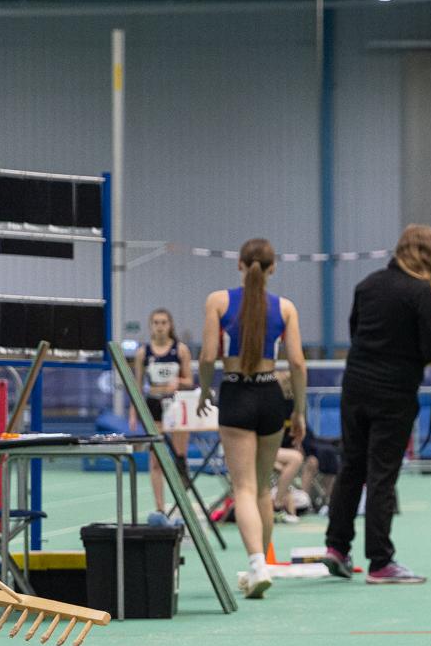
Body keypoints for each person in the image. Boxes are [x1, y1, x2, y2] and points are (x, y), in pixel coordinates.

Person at [320, 225, 431, 585]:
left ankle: (336, 547)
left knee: (352, 466)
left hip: (356, 385)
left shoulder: (368, 285)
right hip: (394, 393)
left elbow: (355, 332)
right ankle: (380, 561)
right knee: (382, 473)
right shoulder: (422, 292)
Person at [198, 239, 307, 600]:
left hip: (236, 393)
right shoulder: (286, 308)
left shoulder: (218, 301)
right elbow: (297, 363)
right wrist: (299, 410)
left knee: (242, 488)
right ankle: (261, 565)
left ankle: (257, 564)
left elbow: (207, 356)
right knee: (262, 488)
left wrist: (204, 391)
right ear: (273, 268)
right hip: (270, 396)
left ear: (240, 265)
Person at [130, 308, 193, 517]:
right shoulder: (143, 353)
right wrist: (133, 413)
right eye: (156, 322)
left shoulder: (180, 350)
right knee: (156, 460)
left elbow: (190, 381)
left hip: (176, 405)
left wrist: (178, 381)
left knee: (179, 458)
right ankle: (160, 508)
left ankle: (183, 505)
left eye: (163, 322)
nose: (160, 326)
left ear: (170, 325)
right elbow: (137, 386)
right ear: (151, 326)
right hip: (154, 405)